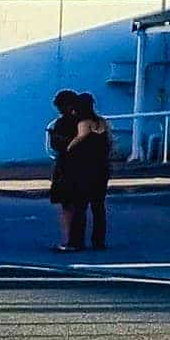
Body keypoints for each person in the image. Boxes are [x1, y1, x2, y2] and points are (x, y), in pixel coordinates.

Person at [46, 90, 111, 252]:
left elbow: (79, 138)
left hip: (83, 168)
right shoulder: (101, 122)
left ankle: (75, 241)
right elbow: (109, 142)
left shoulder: (82, 122)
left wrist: (68, 146)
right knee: (98, 206)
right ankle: (98, 241)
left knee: (79, 205)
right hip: (101, 167)